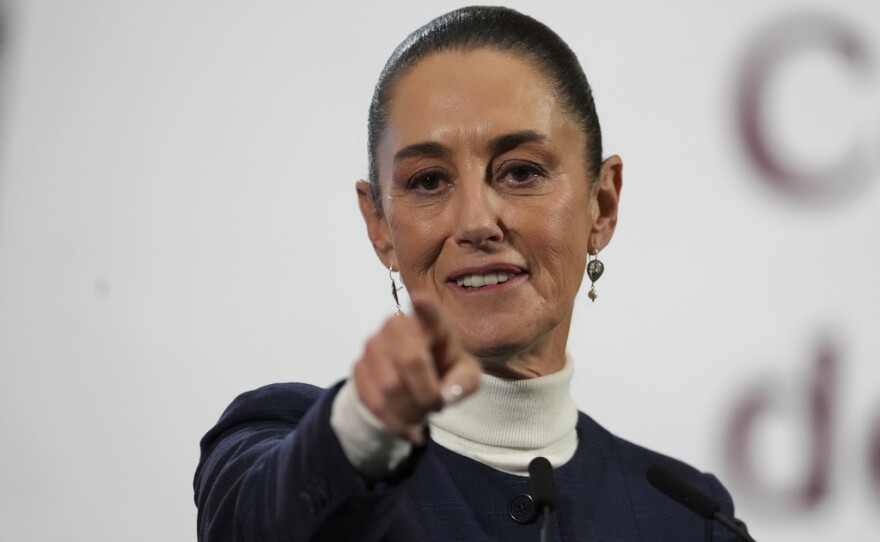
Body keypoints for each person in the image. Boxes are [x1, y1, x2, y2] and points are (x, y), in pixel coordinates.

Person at [194, 6, 748, 541]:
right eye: (429, 181)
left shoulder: (687, 518)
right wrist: (362, 432)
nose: (476, 223)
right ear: (380, 225)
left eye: (521, 171)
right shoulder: (277, 438)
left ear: (601, 205)